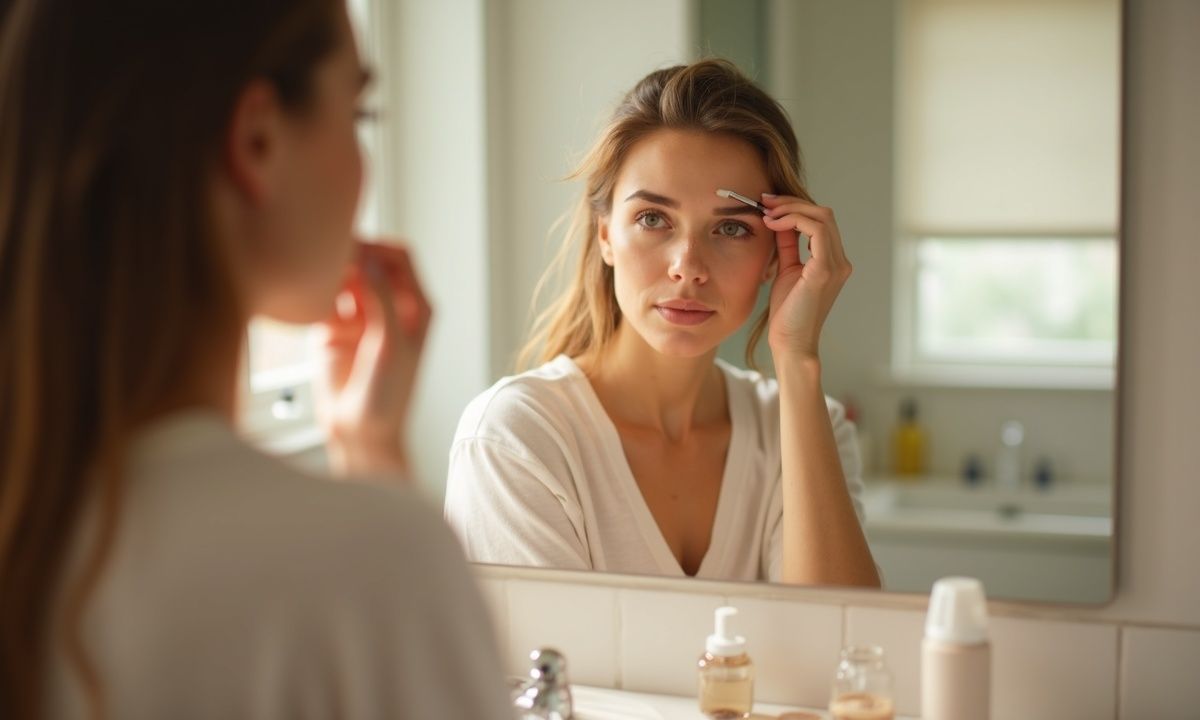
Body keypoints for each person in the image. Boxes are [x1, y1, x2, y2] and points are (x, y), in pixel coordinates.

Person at [0, 1, 509, 718]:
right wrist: (377, 458)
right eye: (359, 115)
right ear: (258, 139)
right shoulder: (369, 564)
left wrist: (364, 439)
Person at [445, 59, 881, 588]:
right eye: (653, 219)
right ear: (605, 234)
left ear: (776, 255)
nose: (688, 266)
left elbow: (839, 646)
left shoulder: (811, 427)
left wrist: (798, 361)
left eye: (731, 228)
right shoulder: (516, 440)